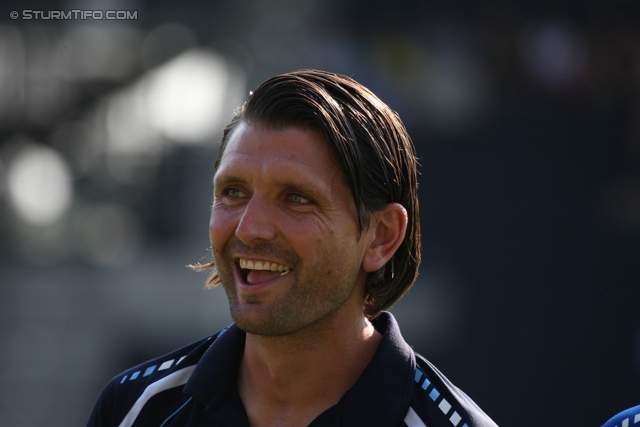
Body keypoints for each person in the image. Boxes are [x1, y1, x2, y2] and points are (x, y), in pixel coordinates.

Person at [86, 70, 498, 427]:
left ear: (381, 236)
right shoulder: (135, 410)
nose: (250, 228)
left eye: (296, 198)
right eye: (233, 192)